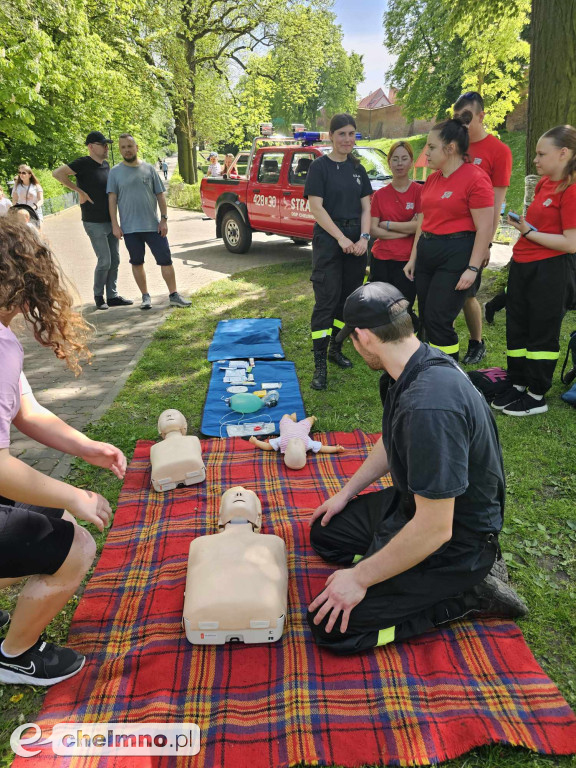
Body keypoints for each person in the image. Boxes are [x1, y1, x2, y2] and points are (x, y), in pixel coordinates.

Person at [306, 281, 527, 654]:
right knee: (325, 534)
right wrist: (346, 493)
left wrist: (360, 578)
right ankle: (401, 567)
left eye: (352, 341)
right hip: (418, 505)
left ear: (363, 337)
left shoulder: (429, 406)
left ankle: (468, 594)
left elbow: (435, 529)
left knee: (332, 628)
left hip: (457, 540)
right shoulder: (413, 363)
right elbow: (392, 438)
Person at [0, 219, 127, 685]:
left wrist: (87, 448)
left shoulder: (3, 340)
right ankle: (15, 657)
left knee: (58, 524)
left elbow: (26, 411)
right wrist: (73, 493)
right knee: (76, 545)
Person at [492, 124, 576, 416]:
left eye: (542, 154)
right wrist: (524, 227)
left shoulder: (572, 188)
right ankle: (518, 382)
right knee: (518, 327)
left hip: (550, 271)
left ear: (563, 153)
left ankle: (536, 394)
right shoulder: (543, 184)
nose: (536, 160)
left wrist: (528, 232)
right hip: (523, 265)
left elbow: (570, 243)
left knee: (541, 331)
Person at [404, 115, 494, 361]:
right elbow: (424, 220)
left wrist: (472, 268)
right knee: (426, 317)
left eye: (431, 147)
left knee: (439, 319)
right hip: (427, 251)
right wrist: (414, 256)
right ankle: (428, 367)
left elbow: (484, 228)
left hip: (456, 253)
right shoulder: (432, 179)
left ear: (451, 148)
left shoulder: (476, 178)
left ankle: (447, 377)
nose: (427, 153)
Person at [304, 113, 372, 390]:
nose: (347, 139)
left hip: (357, 241)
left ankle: (336, 347)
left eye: (351, 134)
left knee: (348, 301)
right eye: (341, 133)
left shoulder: (358, 169)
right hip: (331, 241)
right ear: (331, 136)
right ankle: (320, 362)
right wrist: (342, 238)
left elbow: (367, 207)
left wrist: (365, 237)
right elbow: (316, 208)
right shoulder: (319, 167)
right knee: (326, 300)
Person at [452, 91, 513, 365]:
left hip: (474, 235)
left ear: (481, 115)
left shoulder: (499, 151)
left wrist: (486, 243)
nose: (462, 124)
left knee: (468, 293)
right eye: (457, 118)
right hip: (446, 232)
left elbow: (497, 203)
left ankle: (477, 342)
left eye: (467, 118)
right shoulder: (454, 144)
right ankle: (441, 337)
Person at [107, 133, 191, 310]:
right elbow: (112, 200)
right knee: (137, 262)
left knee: (165, 260)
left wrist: (164, 220)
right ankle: (145, 297)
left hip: (153, 226)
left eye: (130, 146)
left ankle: (174, 295)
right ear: (120, 150)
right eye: (123, 147)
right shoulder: (114, 172)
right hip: (129, 229)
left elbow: (160, 195)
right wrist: (115, 225)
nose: (127, 150)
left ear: (136, 147)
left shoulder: (149, 169)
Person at [52, 130, 134, 311]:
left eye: (107, 145)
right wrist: (79, 191)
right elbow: (57, 173)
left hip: (110, 220)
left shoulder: (106, 165)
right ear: (91, 147)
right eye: (102, 144)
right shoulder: (83, 163)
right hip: (93, 220)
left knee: (115, 259)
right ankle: (99, 296)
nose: (106, 148)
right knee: (104, 259)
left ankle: (112, 296)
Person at [369, 140, 421, 329]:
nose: (399, 163)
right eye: (395, 159)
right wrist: (406, 230)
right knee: (379, 305)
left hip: (407, 261)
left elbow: (420, 227)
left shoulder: (419, 192)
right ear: (389, 162)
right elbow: (373, 229)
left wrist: (389, 226)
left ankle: (405, 340)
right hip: (381, 258)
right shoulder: (380, 195)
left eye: (404, 159)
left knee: (403, 306)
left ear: (411, 162)